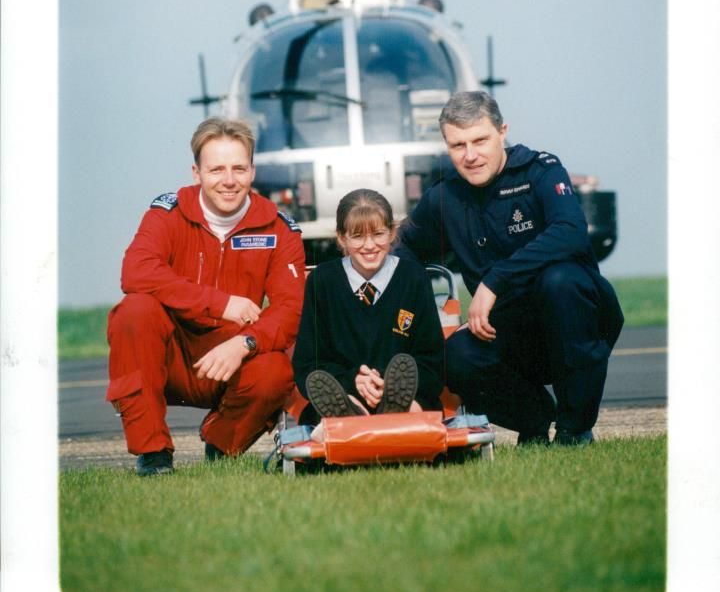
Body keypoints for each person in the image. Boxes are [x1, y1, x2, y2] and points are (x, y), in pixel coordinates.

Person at [393, 91, 624, 446]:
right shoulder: (445, 196)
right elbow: (403, 247)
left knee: (560, 281)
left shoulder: (540, 171)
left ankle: (574, 429)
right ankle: (533, 424)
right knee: (457, 355)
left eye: (480, 140)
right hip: (507, 336)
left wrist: (494, 281)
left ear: (502, 132)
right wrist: (414, 305)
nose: (470, 156)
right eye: (458, 146)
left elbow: (571, 231)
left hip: (574, 323)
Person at [106, 117, 306, 475]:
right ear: (196, 173)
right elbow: (135, 272)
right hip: (172, 356)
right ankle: (153, 456)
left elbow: (290, 310)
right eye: (216, 169)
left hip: (231, 358)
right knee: (134, 311)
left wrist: (244, 343)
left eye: (238, 169)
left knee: (276, 370)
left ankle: (221, 446)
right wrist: (220, 303)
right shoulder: (167, 214)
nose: (228, 181)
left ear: (252, 171)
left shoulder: (278, 228)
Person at [292, 189, 444, 429]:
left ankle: (391, 414)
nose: (369, 245)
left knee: (418, 406)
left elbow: (433, 361)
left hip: (406, 395)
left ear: (393, 233)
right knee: (323, 416)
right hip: (345, 393)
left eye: (378, 234)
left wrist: (387, 384)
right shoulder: (322, 281)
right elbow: (308, 365)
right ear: (341, 238)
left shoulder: (413, 277)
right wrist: (353, 383)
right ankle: (357, 416)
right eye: (357, 236)